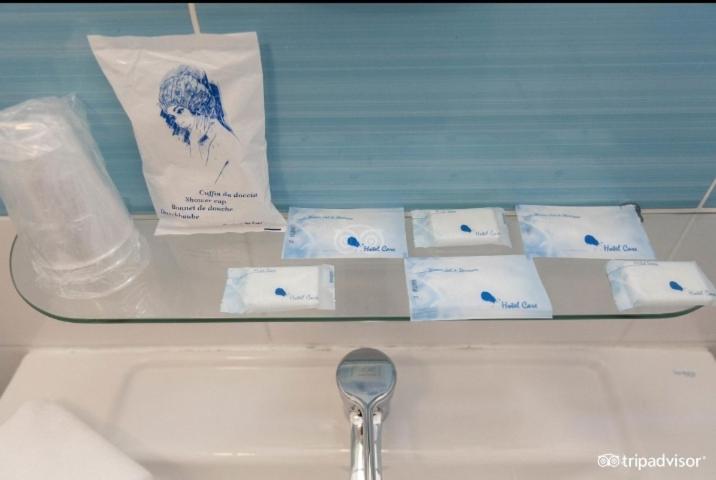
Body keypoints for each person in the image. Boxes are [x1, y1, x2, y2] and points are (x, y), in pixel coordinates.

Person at [158, 65, 237, 183]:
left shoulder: (219, 136)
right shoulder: (194, 136)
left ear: (196, 105)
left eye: (179, 111)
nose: (178, 120)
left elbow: (210, 181)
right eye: (173, 117)